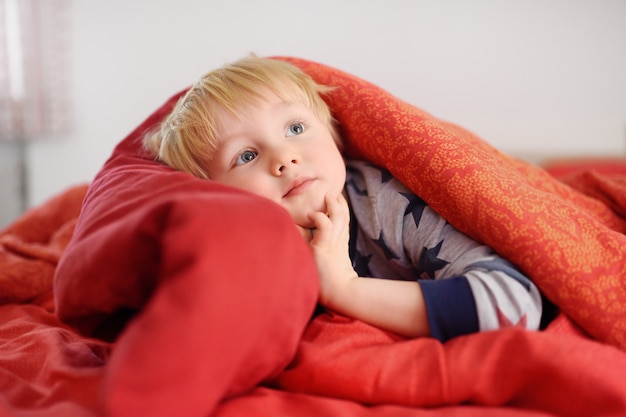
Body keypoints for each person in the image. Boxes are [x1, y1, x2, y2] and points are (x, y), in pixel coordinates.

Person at [144, 56, 543, 342]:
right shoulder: (249, 248)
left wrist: (346, 290)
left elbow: (512, 303)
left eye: (295, 127)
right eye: (246, 156)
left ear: (334, 136)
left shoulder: (385, 203)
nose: (284, 158)